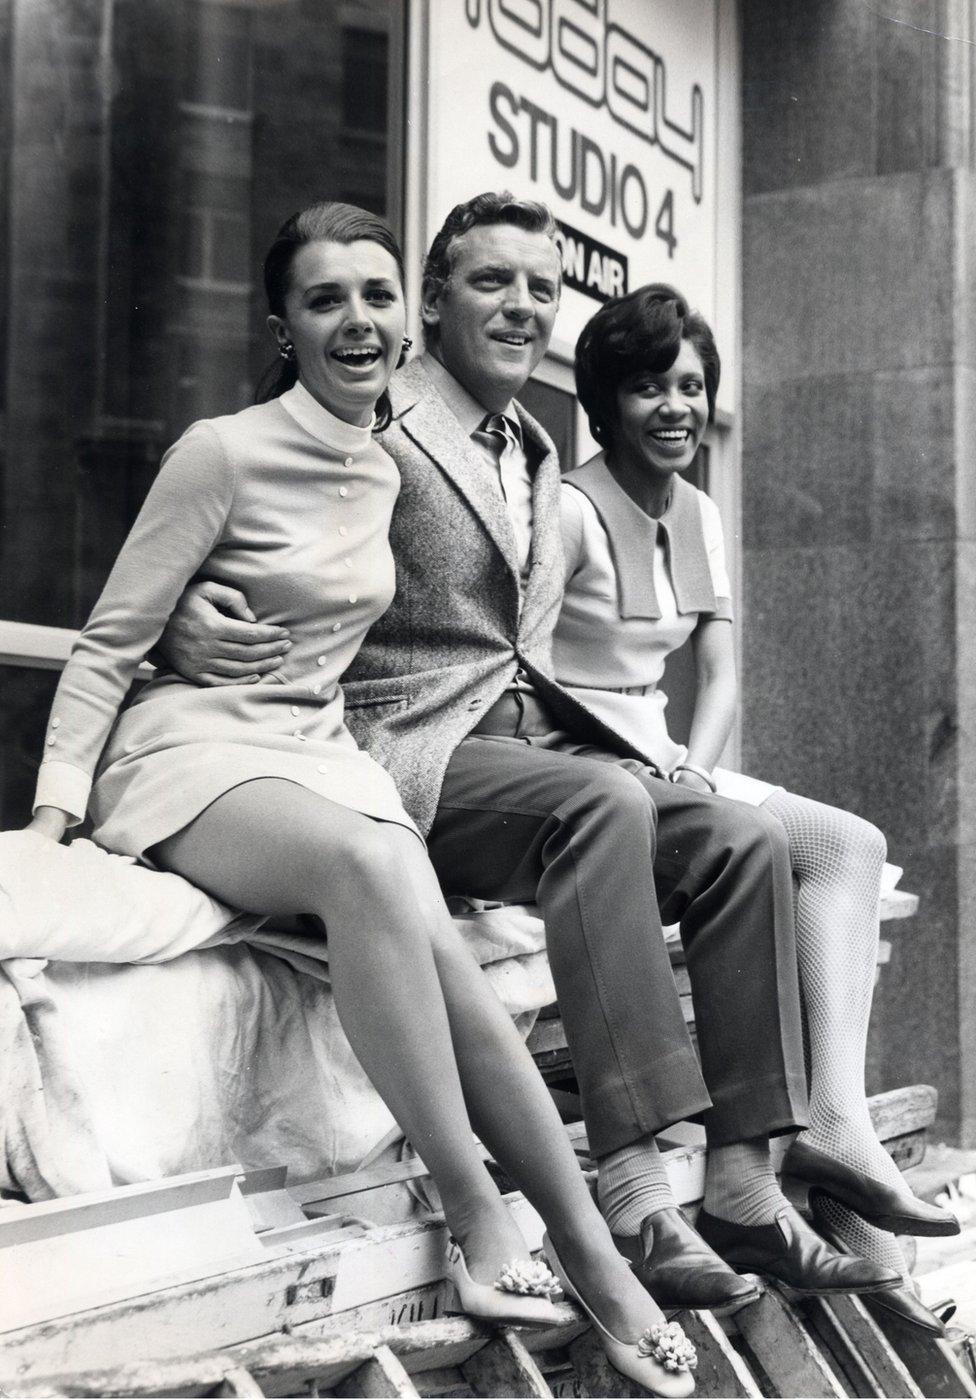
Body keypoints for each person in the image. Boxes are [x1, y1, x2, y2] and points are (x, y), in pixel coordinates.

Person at [158, 192, 901, 1314]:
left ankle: (746, 1178)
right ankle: (638, 1189)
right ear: (434, 303)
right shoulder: (372, 411)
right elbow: (248, 509)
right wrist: (185, 616)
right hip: (402, 745)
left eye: (541, 289)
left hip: (528, 742)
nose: (519, 305)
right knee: (602, 804)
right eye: (490, 281)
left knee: (741, 837)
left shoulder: (538, 444)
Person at [18, 201, 700, 1397]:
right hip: (189, 752)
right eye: (325, 299)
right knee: (380, 865)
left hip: (320, 752)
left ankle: (597, 1255)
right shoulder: (219, 449)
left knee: (433, 937)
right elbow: (108, 644)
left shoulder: (393, 461)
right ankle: (482, 1215)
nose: (358, 321)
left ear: (408, 318)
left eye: (378, 296)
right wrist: (54, 814)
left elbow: (435, 626)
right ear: (284, 323)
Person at [555, 281, 958, 1327]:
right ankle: (802, 1145)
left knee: (846, 844)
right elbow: (518, 665)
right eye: (648, 386)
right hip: (578, 756)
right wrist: (647, 771)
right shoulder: (566, 508)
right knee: (768, 856)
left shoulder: (694, 512)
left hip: (662, 755)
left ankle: (833, 1118)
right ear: (604, 402)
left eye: (690, 385)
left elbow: (720, 670)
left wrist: (694, 763)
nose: (676, 406)